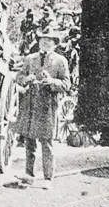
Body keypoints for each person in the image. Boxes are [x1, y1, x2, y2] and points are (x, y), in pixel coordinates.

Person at [13, 26, 71, 188]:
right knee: (29, 141)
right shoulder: (30, 59)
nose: (45, 43)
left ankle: (48, 178)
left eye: (49, 41)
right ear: (38, 42)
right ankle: (29, 174)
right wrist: (26, 79)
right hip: (31, 104)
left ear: (54, 44)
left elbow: (67, 84)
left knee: (47, 143)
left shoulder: (60, 61)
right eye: (42, 40)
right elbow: (19, 76)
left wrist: (52, 82)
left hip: (47, 106)